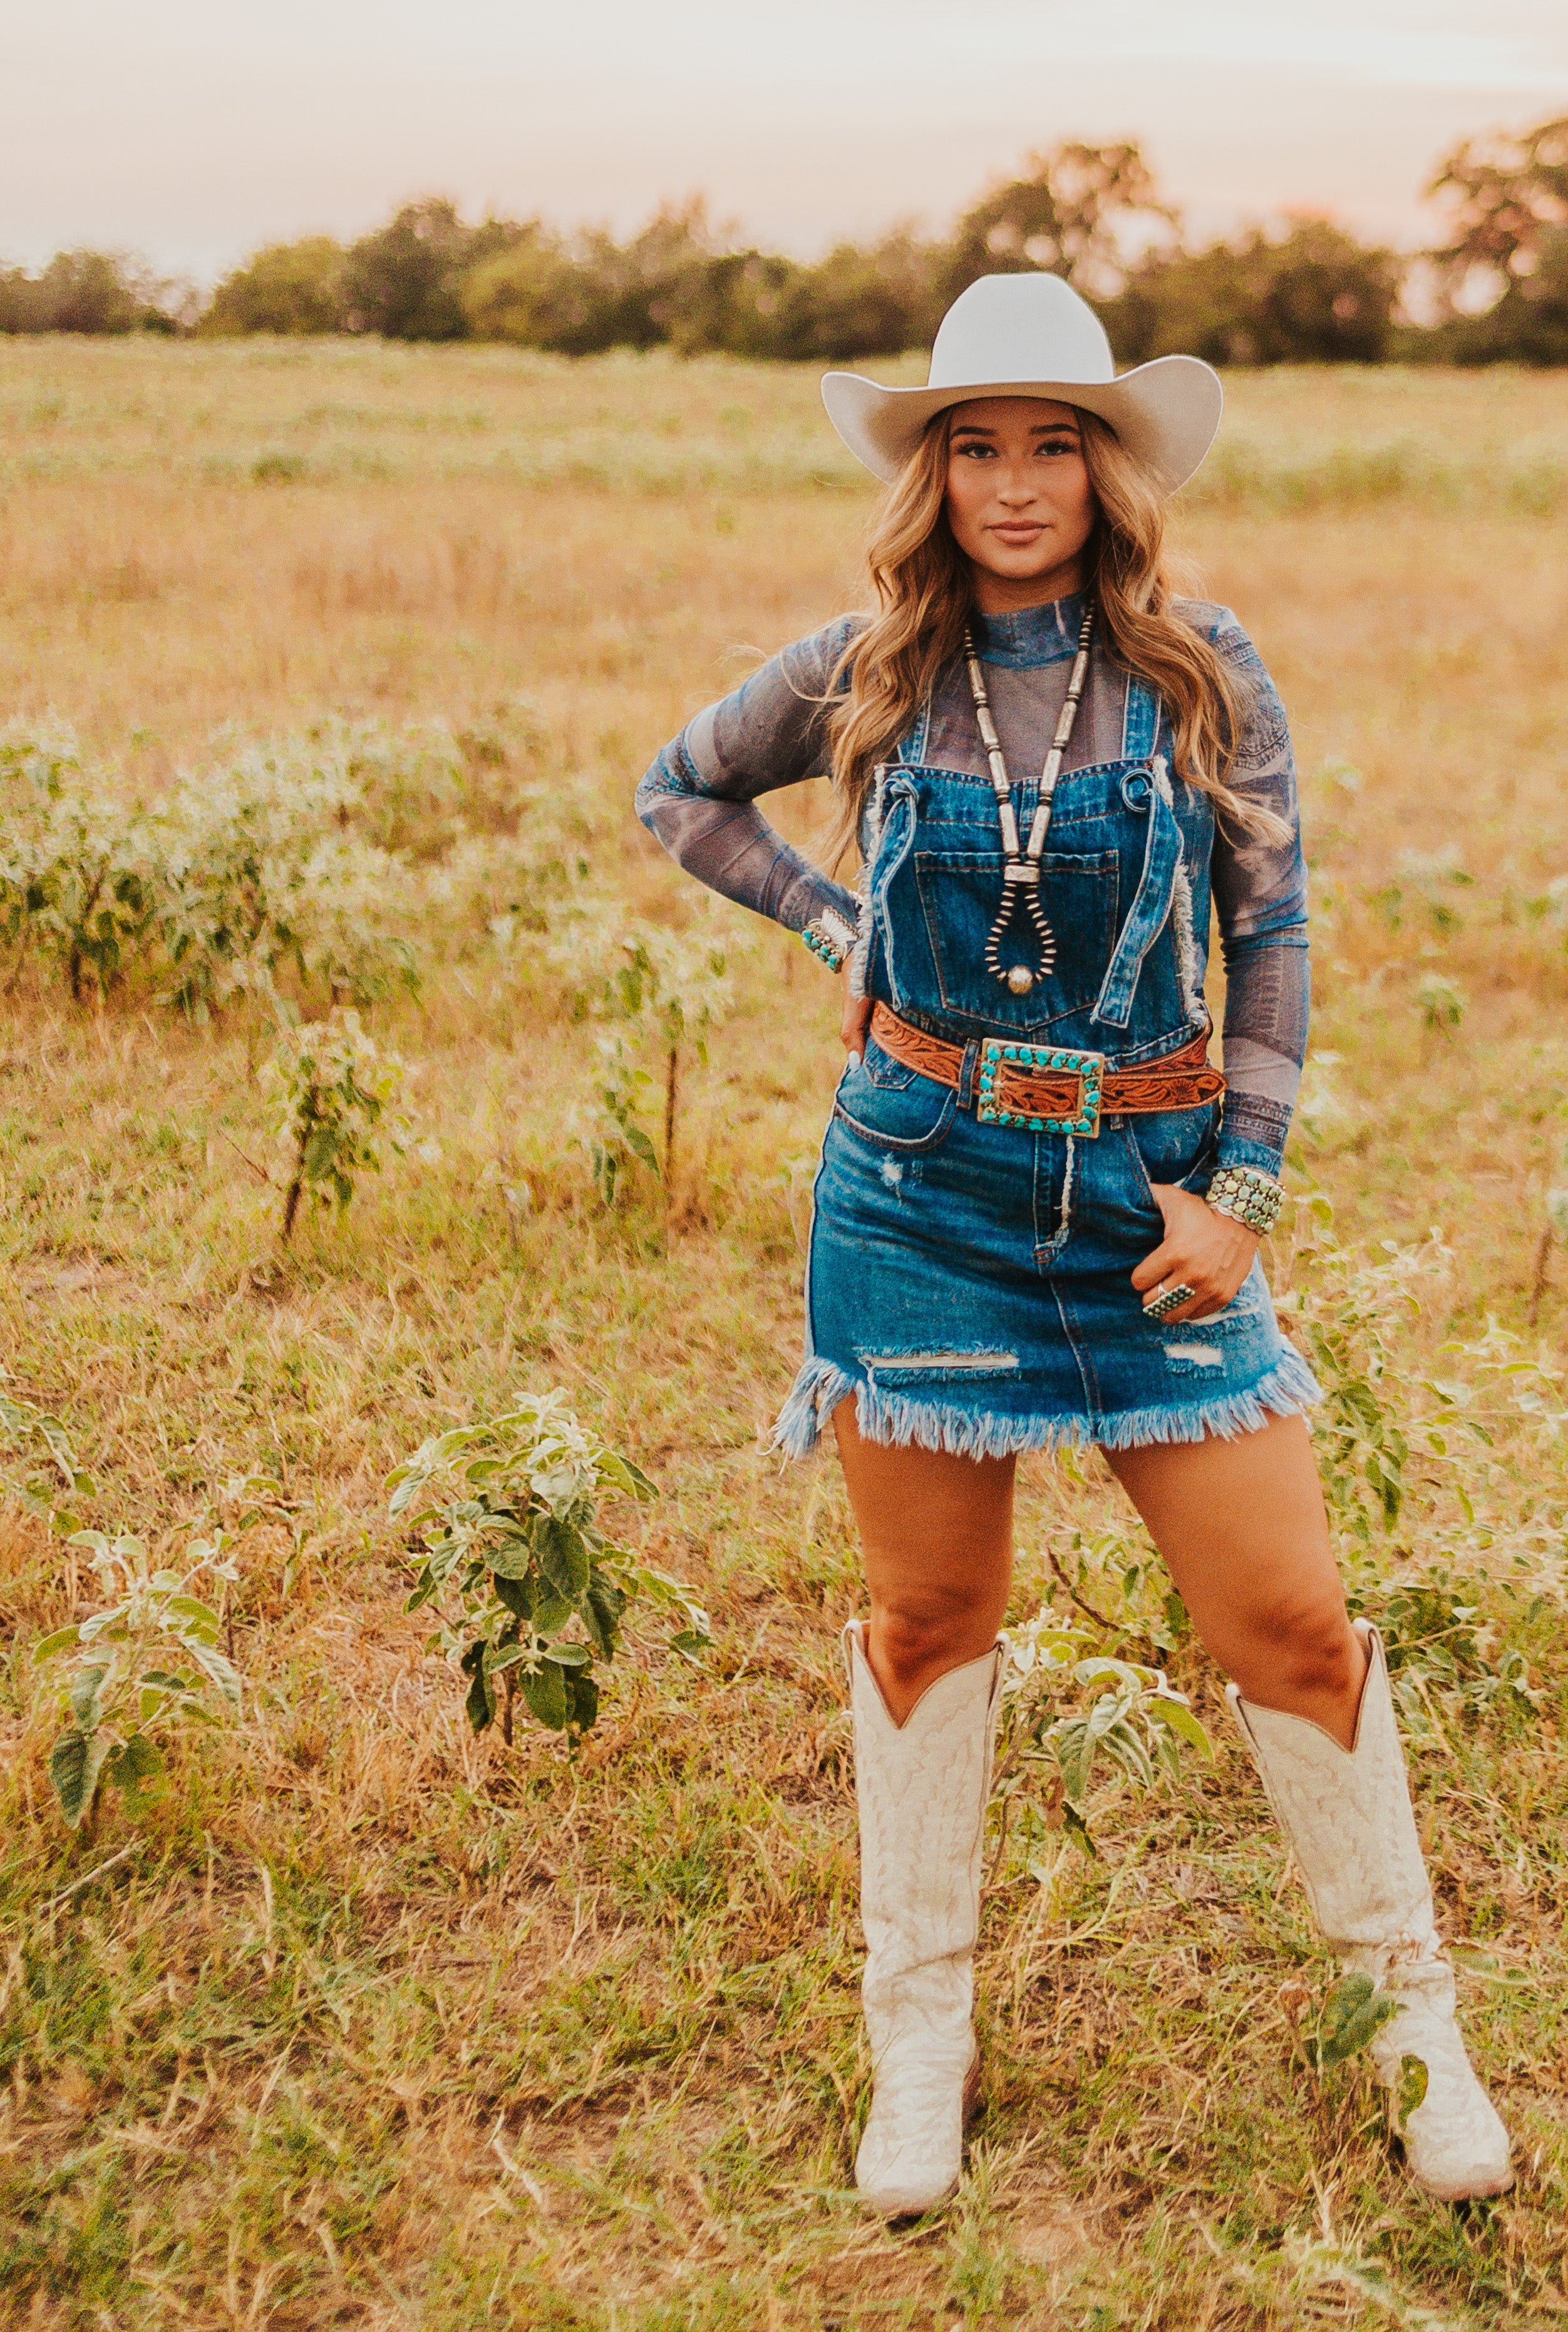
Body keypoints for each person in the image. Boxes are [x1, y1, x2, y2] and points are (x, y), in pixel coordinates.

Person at [637, 272, 1511, 2214]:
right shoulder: (861, 665)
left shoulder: (1204, 665)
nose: (1014, 480)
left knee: (1286, 1618)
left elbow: (1274, 932)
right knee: (931, 1620)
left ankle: (1414, 2028)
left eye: (1052, 442)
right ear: (931, 471)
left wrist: (1244, 1191)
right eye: (975, 443)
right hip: (920, 1189)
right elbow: (678, 789)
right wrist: (833, 923)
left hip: (1151, 1206)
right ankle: (920, 2040)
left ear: (1109, 467)